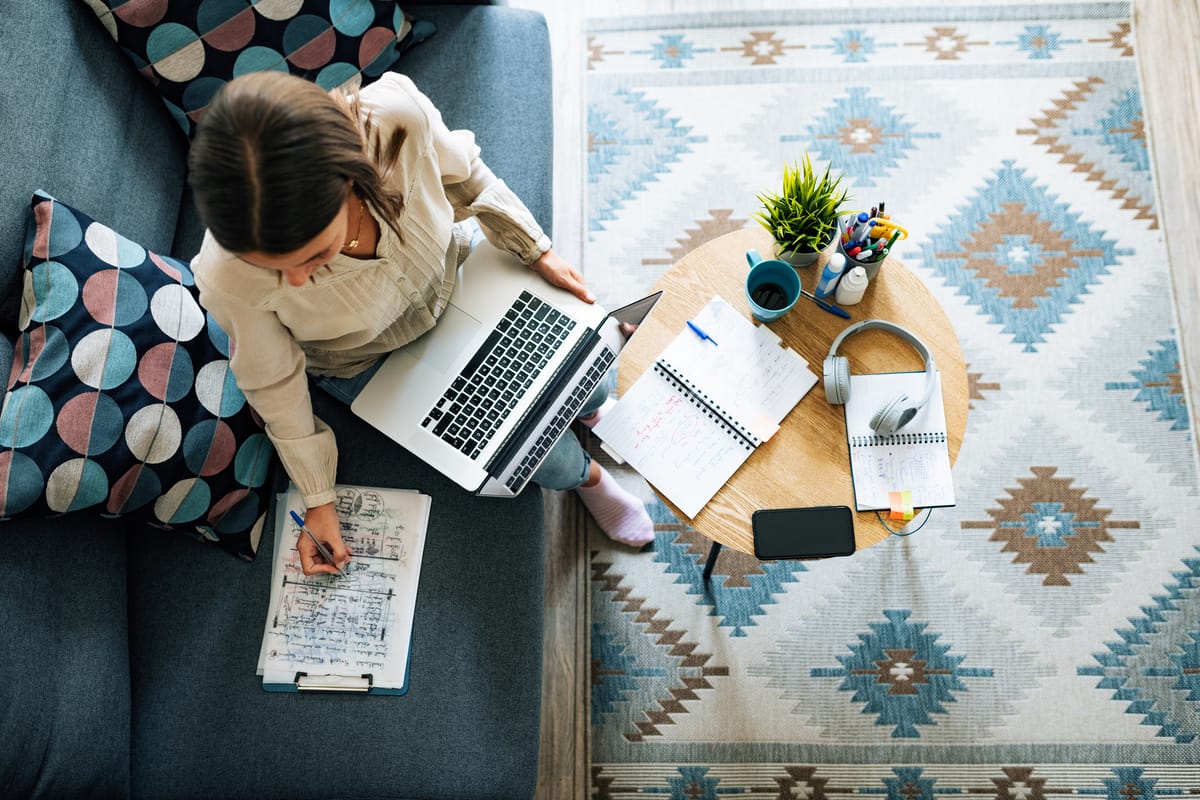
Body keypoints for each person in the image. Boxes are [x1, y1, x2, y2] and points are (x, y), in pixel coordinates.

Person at [187, 71, 653, 575]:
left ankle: (589, 413)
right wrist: (317, 498)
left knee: (597, 382)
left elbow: (468, 176)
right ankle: (591, 479)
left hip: (460, 280)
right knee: (548, 462)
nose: (295, 284)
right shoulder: (225, 277)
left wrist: (537, 251)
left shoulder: (397, 117)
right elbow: (273, 380)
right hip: (366, 362)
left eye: (315, 256)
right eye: (273, 267)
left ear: (350, 180)